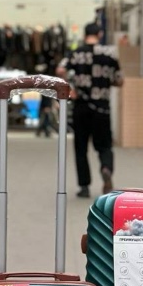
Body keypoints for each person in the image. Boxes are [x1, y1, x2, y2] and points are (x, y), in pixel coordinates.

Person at [57, 22, 122, 198]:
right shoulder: (109, 54)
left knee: (81, 147)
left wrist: (71, 88)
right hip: (102, 108)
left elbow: (61, 70)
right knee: (105, 146)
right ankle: (106, 168)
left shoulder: (75, 53)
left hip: (81, 106)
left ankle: (84, 186)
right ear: (99, 34)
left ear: (85, 35)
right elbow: (120, 80)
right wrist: (106, 81)